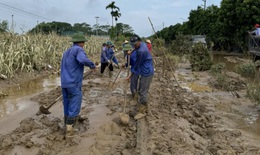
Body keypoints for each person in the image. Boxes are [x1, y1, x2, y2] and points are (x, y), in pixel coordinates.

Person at [60, 33, 96, 137]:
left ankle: (66, 123)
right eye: (83, 42)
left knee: (67, 103)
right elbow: (83, 59)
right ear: (81, 42)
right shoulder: (78, 50)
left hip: (64, 82)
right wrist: (92, 65)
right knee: (75, 102)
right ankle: (70, 128)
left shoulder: (66, 52)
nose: (84, 44)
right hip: (74, 82)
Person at [128, 35, 154, 119]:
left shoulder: (142, 51)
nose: (134, 46)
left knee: (143, 92)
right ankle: (142, 106)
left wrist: (130, 75)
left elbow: (136, 66)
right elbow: (136, 48)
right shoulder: (142, 44)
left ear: (139, 41)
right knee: (141, 89)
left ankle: (143, 111)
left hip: (147, 72)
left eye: (135, 45)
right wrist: (131, 51)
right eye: (133, 45)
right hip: (145, 70)